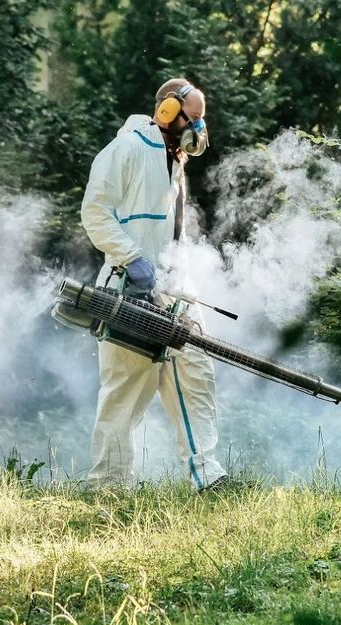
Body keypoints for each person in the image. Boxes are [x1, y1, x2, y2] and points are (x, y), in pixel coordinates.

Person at [79, 78, 228, 492]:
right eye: (193, 119)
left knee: (195, 372)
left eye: (202, 120)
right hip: (129, 285)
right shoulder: (125, 149)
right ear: (166, 112)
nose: (198, 129)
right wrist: (132, 258)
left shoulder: (173, 158)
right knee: (126, 390)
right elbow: (94, 213)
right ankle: (108, 488)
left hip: (175, 286)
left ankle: (207, 474)